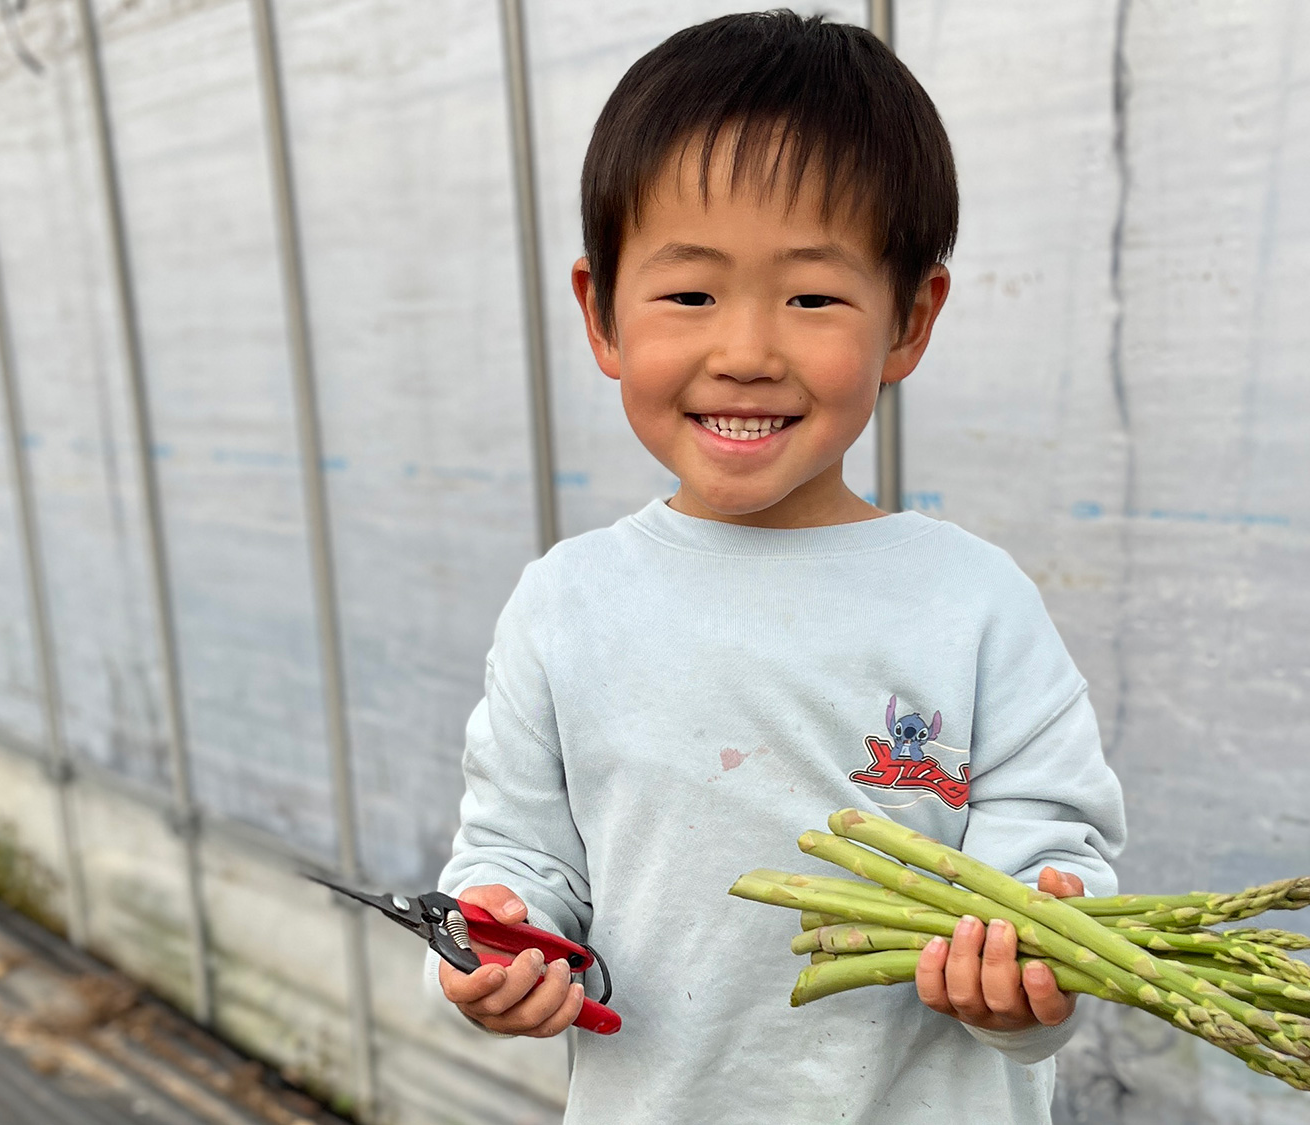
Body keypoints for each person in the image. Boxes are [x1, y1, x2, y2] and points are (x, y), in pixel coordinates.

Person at [433, 11, 1125, 1122]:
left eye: (810, 297)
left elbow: (1052, 869)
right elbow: (518, 852)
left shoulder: (971, 602)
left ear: (909, 318)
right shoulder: (566, 604)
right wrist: (494, 942)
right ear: (600, 312)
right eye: (690, 294)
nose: (746, 351)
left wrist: (1026, 983)